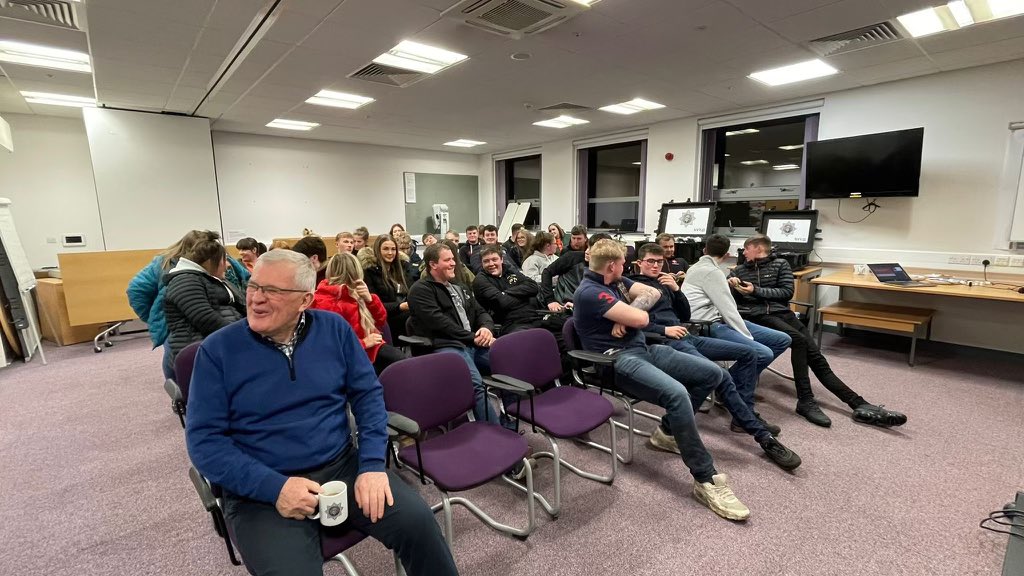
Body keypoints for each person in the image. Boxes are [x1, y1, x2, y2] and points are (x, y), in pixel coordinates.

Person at [185, 250, 458, 576]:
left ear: (305, 300)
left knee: (419, 523)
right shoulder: (218, 350)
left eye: (273, 291)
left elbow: (369, 397)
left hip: (341, 467)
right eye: (253, 286)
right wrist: (276, 488)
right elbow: (204, 442)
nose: (256, 299)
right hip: (262, 488)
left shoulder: (334, 329)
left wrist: (372, 465)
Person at [572, 240, 799, 521]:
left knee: (713, 373)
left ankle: (667, 432)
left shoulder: (616, 281)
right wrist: (633, 315)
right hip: (616, 360)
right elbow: (643, 319)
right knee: (677, 394)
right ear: (611, 266)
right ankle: (706, 479)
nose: (625, 267)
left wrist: (629, 313)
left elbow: (652, 293)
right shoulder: (591, 292)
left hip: (644, 349)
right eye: (621, 263)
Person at [729, 235, 908, 428]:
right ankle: (805, 400)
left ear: (757, 248)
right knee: (798, 340)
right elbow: (729, 301)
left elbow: (786, 293)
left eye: (746, 249)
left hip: (783, 314)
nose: (744, 253)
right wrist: (733, 285)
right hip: (758, 317)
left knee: (817, 359)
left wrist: (756, 290)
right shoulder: (738, 271)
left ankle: (859, 403)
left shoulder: (781, 264)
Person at [630, 243, 781, 435]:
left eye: (660, 262)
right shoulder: (634, 285)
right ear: (639, 263)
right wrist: (664, 329)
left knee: (750, 352)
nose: (655, 266)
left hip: (687, 335)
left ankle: (742, 408)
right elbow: (632, 322)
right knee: (719, 374)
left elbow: (685, 316)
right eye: (650, 261)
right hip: (666, 341)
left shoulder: (665, 283)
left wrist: (677, 290)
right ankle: (751, 426)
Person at [682, 234, 793, 416]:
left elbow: (715, 296)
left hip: (717, 321)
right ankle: (736, 397)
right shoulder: (712, 272)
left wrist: (726, 285)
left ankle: (727, 385)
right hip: (708, 326)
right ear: (726, 255)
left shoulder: (700, 267)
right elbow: (729, 311)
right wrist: (746, 337)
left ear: (704, 250)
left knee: (782, 340)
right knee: (762, 352)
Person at [408, 243, 505, 428]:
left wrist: (486, 329)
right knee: (475, 384)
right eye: (448, 260)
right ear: (433, 264)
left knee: (508, 364)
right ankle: (498, 436)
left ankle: (508, 423)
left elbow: (481, 312)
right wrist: (473, 337)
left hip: (470, 344)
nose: (453, 263)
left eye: (453, 259)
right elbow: (441, 324)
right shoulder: (420, 290)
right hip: (445, 346)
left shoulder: (459, 287)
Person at [128, 230, 218, 379]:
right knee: (177, 363)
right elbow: (136, 290)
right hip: (177, 325)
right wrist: (155, 317)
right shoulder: (164, 262)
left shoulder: (217, 258)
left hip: (204, 319)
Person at [313, 253, 407, 374]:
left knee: (401, 364)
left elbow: (380, 320)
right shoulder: (325, 302)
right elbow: (330, 343)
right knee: (397, 368)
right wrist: (364, 342)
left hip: (368, 349)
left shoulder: (357, 291)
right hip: (350, 355)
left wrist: (370, 300)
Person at [163, 238, 246, 362]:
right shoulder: (185, 280)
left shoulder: (206, 278)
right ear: (209, 262)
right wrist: (243, 335)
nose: (228, 265)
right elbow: (205, 319)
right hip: (200, 352)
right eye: (224, 260)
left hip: (218, 344)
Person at [540, 233, 611, 312]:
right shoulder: (572, 257)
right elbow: (547, 272)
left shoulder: (607, 270)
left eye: (592, 249)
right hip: (563, 307)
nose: (587, 251)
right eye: (588, 247)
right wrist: (550, 300)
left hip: (584, 308)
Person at [359, 235, 412, 339]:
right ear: (377, 250)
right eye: (386, 249)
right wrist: (399, 307)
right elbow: (372, 304)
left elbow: (412, 290)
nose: (390, 253)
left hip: (406, 311)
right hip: (385, 317)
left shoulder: (403, 267)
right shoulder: (369, 272)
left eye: (393, 249)